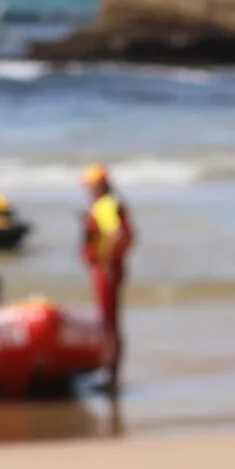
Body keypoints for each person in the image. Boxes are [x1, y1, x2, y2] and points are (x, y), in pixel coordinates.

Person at [80, 163, 135, 387]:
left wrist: (107, 263)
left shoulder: (104, 205)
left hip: (106, 270)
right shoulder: (112, 203)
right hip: (111, 268)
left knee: (108, 322)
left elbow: (114, 235)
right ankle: (111, 373)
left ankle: (111, 376)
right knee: (110, 320)